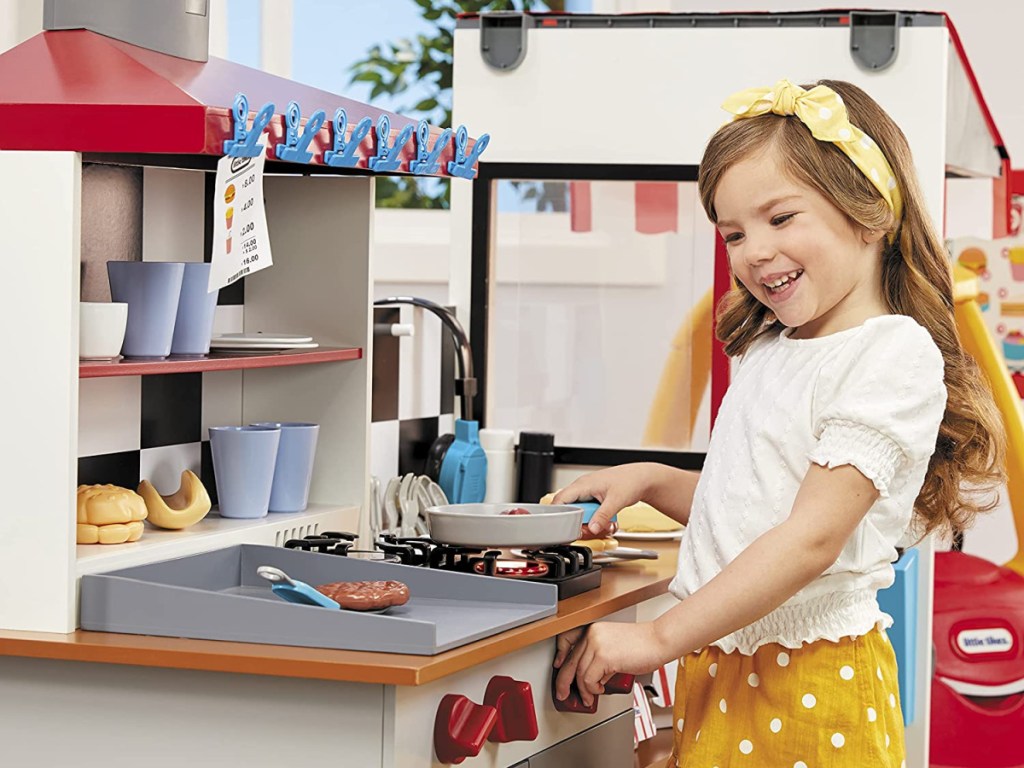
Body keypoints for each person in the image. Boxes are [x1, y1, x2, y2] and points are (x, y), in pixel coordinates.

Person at [551, 79, 1006, 767]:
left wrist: (656, 639)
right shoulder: (771, 350)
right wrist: (650, 480)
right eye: (734, 233)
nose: (754, 250)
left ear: (869, 211)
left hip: (811, 677)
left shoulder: (891, 351)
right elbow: (757, 507)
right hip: (728, 665)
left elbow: (810, 538)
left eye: (780, 218)